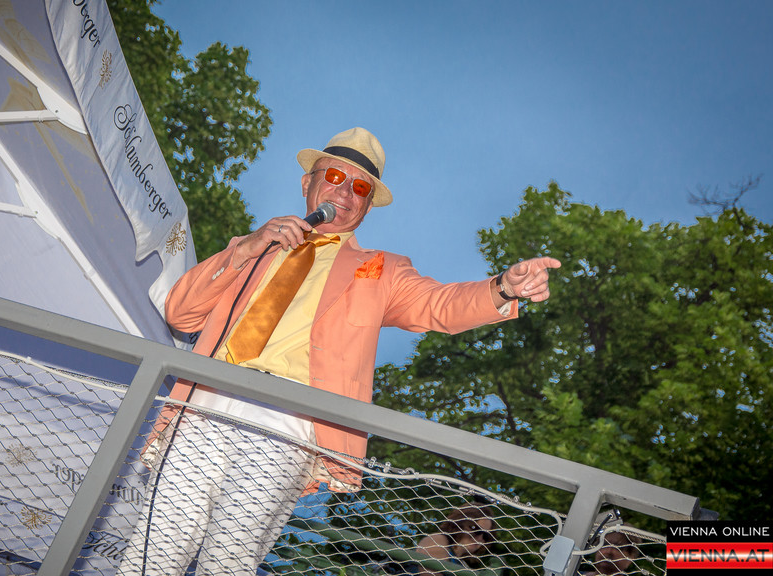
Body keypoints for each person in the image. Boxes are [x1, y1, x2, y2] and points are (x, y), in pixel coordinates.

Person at [116, 127, 562, 575]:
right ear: (307, 183)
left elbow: (439, 305)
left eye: (361, 188)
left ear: (367, 206)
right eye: (334, 176)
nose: (346, 192)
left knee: (227, 562)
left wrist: (503, 287)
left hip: (287, 422)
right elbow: (181, 313)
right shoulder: (256, 248)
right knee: (150, 555)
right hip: (205, 404)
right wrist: (245, 249)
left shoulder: (383, 269)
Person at [414, 505, 497, 574]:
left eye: (485, 536)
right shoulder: (438, 539)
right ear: (459, 524)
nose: (480, 538)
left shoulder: (463, 566)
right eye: (475, 529)